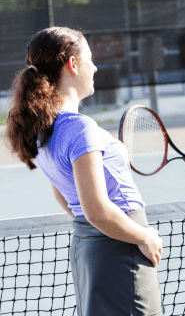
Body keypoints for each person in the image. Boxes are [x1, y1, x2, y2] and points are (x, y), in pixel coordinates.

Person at [4, 27, 163, 316]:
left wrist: (98, 231)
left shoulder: (45, 129)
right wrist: (144, 236)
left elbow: (66, 197)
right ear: (73, 64)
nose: (95, 66)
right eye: (89, 59)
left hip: (89, 246)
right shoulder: (80, 128)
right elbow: (97, 210)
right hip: (120, 248)